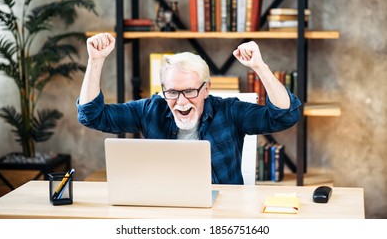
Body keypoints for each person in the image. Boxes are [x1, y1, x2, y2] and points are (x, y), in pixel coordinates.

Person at [77, 32, 301, 185]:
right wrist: (95, 61)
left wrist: (259, 67)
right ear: (163, 90)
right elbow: (92, 116)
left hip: (223, 215)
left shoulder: (229, 112)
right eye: (172, 92)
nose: (181, 102)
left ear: (206, 89)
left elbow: (285, 116)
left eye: (190, 91)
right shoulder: (151, 109)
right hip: (166, 212)